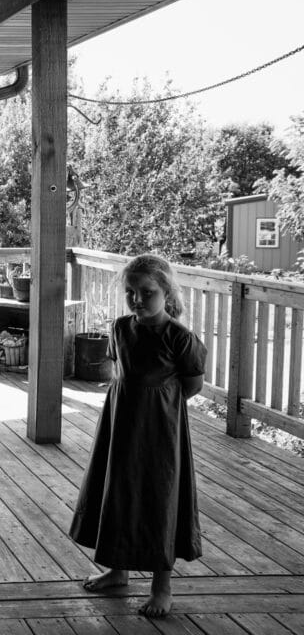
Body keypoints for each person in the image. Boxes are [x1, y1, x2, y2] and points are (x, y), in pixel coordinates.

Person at [69, 254, 206, 618]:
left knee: (161, 495)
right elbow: (120, 370)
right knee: (119, 490)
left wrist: (156, 404)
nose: (138, 300)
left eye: (147, 292)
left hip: (161, 430)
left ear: (166, 293)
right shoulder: (120, 328)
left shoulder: (179, 337)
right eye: (131, 292)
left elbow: (191, 386)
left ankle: (163, 586)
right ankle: (118, 569)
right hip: (121, 424)